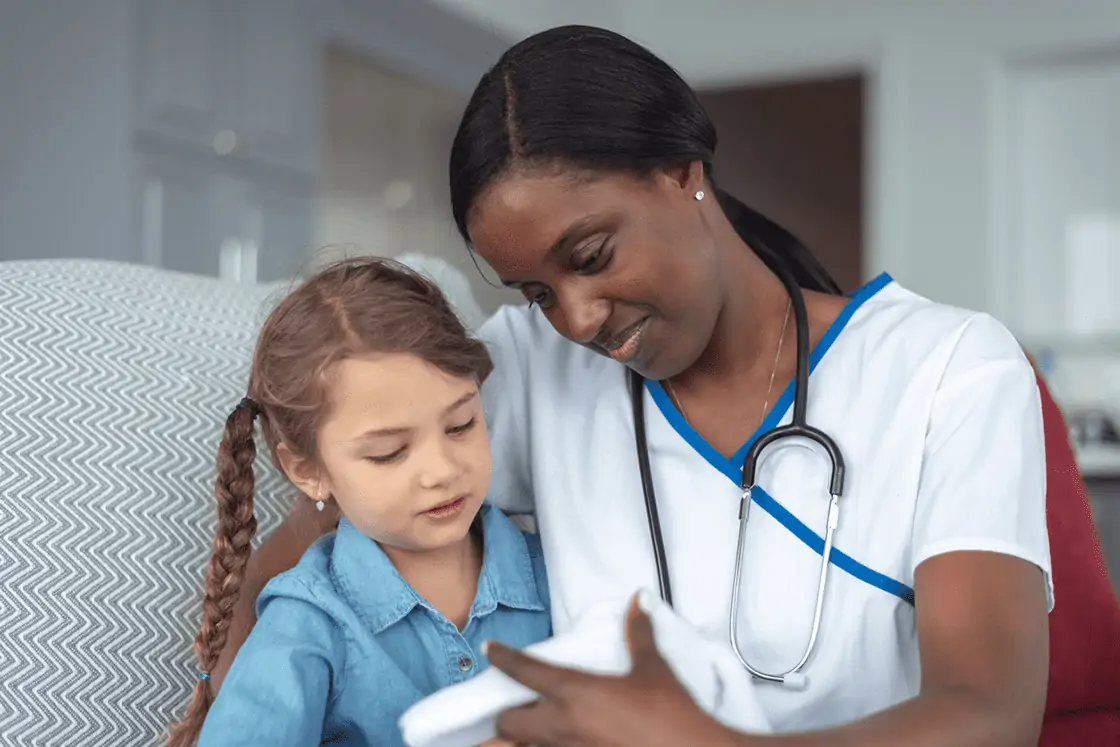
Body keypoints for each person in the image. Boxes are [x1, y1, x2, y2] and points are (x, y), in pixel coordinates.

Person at [214, 25, 1053, 747]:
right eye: (537, 293)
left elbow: (989, 712)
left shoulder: (950, 368)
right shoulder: (527, 369)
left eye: (590, 257)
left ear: (682, 172)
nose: (575, 320)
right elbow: (317, 540)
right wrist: (230, 696)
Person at [164, 257, 549, 747]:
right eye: (389, 453)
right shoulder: (307, 625)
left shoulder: (558, 574)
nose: (443, 470)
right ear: (309, 472)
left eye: (461, 425)